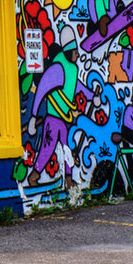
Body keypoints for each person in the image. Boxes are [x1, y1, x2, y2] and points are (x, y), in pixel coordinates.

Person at [27, 22, 100, 188]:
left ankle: (68, 179)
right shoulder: (57, 68)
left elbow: (78, 87)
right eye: (75, 52)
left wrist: (92, 96)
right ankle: (34, 175)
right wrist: (33, 116)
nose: (77, 55)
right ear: (68, 52)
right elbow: (41, 90)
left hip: (63, 119)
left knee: (67, 149)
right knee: (47, 148)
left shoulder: (72, 69)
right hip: (52, 119)